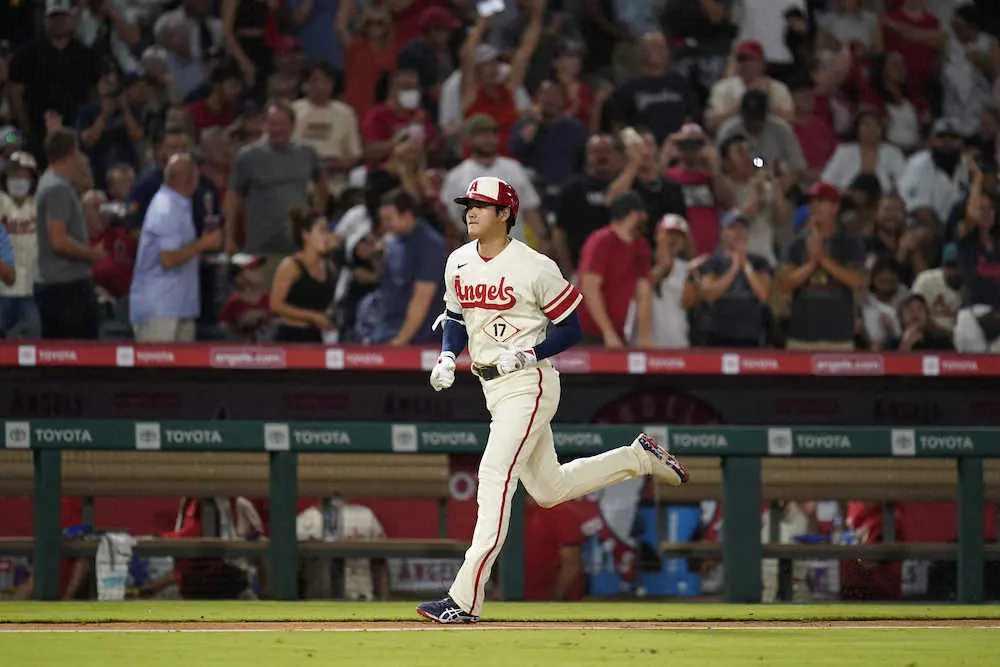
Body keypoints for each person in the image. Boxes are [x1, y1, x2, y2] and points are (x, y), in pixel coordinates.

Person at [415, 176, 689, 624]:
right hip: (491, 385)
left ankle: (464, 599)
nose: (470, 211)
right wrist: (447, 355)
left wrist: (530, 352)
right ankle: (638, 458)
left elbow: (571, 327)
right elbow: (456, 315)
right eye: (468, 204)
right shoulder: (458, 261)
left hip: (529, 382)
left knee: (494, 474)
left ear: (506, 214)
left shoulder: (535, 266)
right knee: (549, 489)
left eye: (481, 205)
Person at [224, 101, 327, 284]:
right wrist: (229, 236)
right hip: (262, 249)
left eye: (282, 124)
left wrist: (317, 218)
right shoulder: (248, 156)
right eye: (273, 123)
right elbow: (233, 198)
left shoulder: (307, 152)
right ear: (264, 125)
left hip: (298, 249)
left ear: (293, 126)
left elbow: (321, 185)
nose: (277, 129)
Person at [130, 154, 221, 342]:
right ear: (191, 180)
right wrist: (203, 244)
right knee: (157, 369)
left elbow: (179, 252)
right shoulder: (165, 209)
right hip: (160, 310)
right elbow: (168, 259)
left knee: (181, 370)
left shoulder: (179, 204)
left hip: (179, 306)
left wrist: (200, 254)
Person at [777, 182, 866, 350]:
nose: (815, 206)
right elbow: (783, 284)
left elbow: (857, 281)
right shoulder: (795, 243)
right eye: (812, 201)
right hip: (801, 337)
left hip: (839, 337)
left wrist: (824, 260)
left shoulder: (850, 243)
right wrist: (811, 264)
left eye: (821, 201)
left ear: (835, 207)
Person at [439, 114, 547, 251]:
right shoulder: (456, 177)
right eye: (481, 135)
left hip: (516, 251)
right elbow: (452, 223)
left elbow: (531, 211)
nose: (488, 140)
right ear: (469, 139)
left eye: (491, 135)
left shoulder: (514, 169)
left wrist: (542, 247)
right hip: (476, 255)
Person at [34, 128, 104, 339]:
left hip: (57, 286)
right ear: (72, 153)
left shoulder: (52, 182)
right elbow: (59, 240)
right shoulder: (58, 189)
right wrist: (94, 255)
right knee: (78, 361)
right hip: (66, 290)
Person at [7, 0, 100, 152]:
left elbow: (94, 91)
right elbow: (15, 91)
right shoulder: (26, 55)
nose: (59, 22)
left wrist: (89, 123)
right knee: (8, 139)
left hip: (77, 132)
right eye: (54, 18)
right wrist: (25, 126)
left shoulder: (86, 55)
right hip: (36, 132)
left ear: (71, 20)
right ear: (45, 20)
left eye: (63, 17)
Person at [578, 191, 654, 348]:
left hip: (617, 332)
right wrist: (608, 332)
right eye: (642, 213)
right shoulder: (601, 241)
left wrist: (644, 336)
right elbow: (590, 289)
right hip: (586, 331)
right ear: (633, 215)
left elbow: (643, 292)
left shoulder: (641, 246)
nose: (646, 218)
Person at [698, 210, 773, 347]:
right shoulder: (712, 262)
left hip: (751, 335)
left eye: (743, 228)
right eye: (733, 228)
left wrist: (746, 266)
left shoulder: (759, 262)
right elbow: (709, 294)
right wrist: (734, 268)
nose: (739, 232)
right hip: (717, 335)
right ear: (722, 233)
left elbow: (763, 294)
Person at [611, 31, 694, 144]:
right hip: (645, 148)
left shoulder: (679, 82)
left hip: (678, 147)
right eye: (655, 47)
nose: (661, 50)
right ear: (643, 52)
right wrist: (635, 143)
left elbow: (689, 118)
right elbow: (619, 126)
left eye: (663, 47)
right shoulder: (629, 87)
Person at [269, 205, 336, 343]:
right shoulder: (291, 266)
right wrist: (311, 316)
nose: (326, 237)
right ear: (305, 234)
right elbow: (276, 304)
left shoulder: (330, 267)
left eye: (327, 231)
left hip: (318, 338)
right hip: (292, 337)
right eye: (321, 231)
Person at [552, 135, 617, 276]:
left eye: (606, 151)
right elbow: (559, 234)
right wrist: (568, 271)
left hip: (618, 270)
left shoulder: (625, 188)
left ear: (616, 155)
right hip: (581, 268)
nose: (601, 156)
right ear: (587, 156)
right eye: (596, 151)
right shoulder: (572, 189)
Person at [953, 158, 1000, 352]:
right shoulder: (966, 239)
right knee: (971, 374)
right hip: (972, 313)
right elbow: (971, 216)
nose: (986, 213)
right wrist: (978, 181)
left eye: (990, 208)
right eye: (981, 208)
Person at [292, 60, 362, 187]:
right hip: (299, 182)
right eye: (314, 81)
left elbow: (354, 155)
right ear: (305, 84)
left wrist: (334, 165)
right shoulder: (292, 111)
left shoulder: (346, 113)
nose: (320, 86)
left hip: (335, 183)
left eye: (326, 82)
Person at [718, 90, 807, 182]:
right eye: (750, 118)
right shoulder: (728, 131)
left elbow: (799, 168)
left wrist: (779, 186)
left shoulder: (781, 129)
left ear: (766, 114)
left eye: (758, 118)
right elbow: (719, 169)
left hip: (778, 184)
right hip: (737, 186)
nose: (754, 123)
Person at [705, 40, 794, 132]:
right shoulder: (722, 87)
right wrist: (745, 107)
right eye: (741, 59)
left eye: (750, 59)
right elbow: (712, 123)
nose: (745, 64)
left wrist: (762, 105)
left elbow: (789, 120)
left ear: (762, 63)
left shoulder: (777, 88)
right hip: (733, 138)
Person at [639, 214, 698, 349]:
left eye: (679, 236)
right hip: (644, 345)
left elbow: (688, 302)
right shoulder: (642, 260)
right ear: (657, 235)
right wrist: (662, 269)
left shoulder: (687, 270)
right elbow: (638, 292)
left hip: (677, 343)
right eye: (669, 234)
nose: (673, 239)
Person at [0, 151, 40, 338]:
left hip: (31, 291)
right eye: (14, 175)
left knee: (33, 347)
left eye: (24, 175)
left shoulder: (39, 204)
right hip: (2, 291)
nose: (18, 180)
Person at [822, 109, 907, 195]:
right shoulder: (844, 151)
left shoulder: (893, 152)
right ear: (857, 129)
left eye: (876, 125)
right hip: (848, 199)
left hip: (882, 200)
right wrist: (849, 193)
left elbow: (903, 181)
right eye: (867, 125)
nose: (872, 129)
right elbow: (827, 181)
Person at [911, 242, 962, 335]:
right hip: (929, 338)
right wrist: (944, 334)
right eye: (950, 266)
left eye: (957, 266)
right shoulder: (925, 280)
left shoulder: (973, 285)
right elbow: (914, 314)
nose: (954, 272)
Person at [220, 253, 271, 341]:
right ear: (239, 278)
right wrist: (240, 323)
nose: (259, 271)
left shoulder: (273, 299)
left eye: (259, 267)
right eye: (253, 269)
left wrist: (265, 316)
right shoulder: (233, 303)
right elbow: (223, 329)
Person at [884, 293, 954, 351]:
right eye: (909, 309)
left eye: (920, 308)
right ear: (901, 317)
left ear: (926, 315)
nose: (915, 313)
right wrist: (905, 346)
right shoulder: (892, 344)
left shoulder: (942, 342)